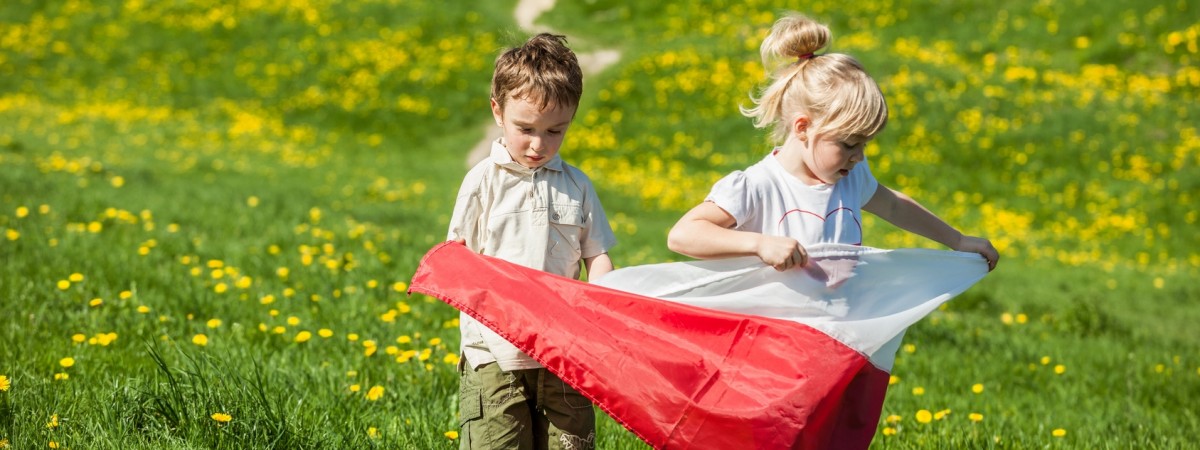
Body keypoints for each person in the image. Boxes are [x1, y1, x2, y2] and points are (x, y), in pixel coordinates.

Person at [668, 12, 998, 274]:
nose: (858, 157)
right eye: (849, 144)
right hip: (771, 342)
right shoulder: (758, 186)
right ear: (803, 128)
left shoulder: (850, 176)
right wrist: (759, 244)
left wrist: (957, 240)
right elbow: (682, 235)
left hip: (832, 333)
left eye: (864, 145)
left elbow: (894, 206)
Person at [446, 33, 616, 450]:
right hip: (494, 353)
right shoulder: (482, 183)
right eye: (526, 129)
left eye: (555, 131)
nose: (539, 144)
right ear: (497, 111)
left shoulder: (577, 185)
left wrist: (605, 308)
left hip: (565, 352)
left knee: (572, 444)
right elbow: (458, 262)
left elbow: (598, 257)